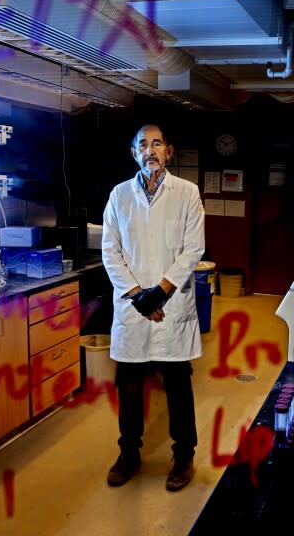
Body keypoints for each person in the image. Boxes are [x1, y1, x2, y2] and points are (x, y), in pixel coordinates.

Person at [100, 123, 206, 492]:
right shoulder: (119, 195)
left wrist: (157, 293)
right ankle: (129, 453)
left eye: (157, 143)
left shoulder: (188, 194)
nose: (150, 150)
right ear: (134, 153)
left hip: (170, 305)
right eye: (142, 144)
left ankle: (184, 455)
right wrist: (136, 294)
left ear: (169, 151)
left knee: (178, 387)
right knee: (129, 387)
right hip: (133, 307)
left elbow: (193, 249)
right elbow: (110, 250)